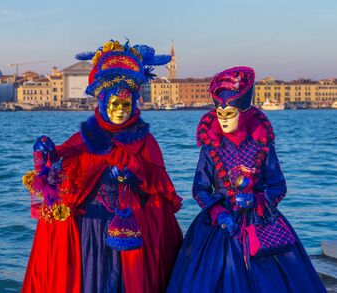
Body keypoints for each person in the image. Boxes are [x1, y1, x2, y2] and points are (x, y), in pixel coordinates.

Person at [22, 40, 183, 293]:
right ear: (102, 103)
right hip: (91, 229)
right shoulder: (87, 137)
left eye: (126, 105)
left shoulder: (145, 140)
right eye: (114, 105)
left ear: (134, 105)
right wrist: (46, 151)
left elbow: (158, 189)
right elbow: (62, 164)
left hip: (131, 229)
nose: (120, 112)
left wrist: (133, 176)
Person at [167, 66, 326, 293]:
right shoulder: (210, 148)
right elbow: (199, 189)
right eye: (219, 114)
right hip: (220, 224)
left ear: (244, 112)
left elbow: (278, 185)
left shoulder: (262, 144)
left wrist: (258, 200)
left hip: (259, 220)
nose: (223, 120)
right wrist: (218, 213)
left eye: (229, 114)